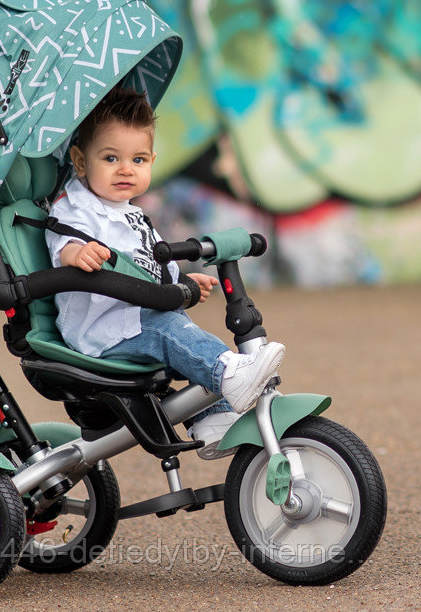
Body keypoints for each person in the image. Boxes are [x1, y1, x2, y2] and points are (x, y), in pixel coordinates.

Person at [45, 87, 285, 458]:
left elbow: (148, 262)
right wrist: (79, 253)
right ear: (80, 162)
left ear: (152, 161)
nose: (126, 169)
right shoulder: (78, 207)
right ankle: (229, 377)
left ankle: (212, 418)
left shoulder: (132, 213)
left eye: (138, 160)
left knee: (184, 330)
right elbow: (61, 243)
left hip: (135, 316)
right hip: (101, 330)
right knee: (171, 331)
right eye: (111, 158)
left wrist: (182, 280)